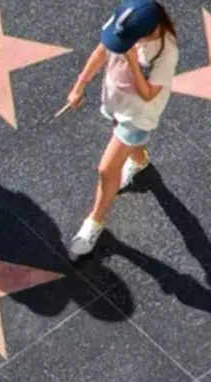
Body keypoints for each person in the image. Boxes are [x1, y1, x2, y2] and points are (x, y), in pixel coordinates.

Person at [64, 0, 178, 258]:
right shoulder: (124, 22)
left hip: (137, 115)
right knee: (126, 149)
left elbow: (149, 94)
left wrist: (132, 61)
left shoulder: (165, 53)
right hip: (115, 100)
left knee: (107, 169)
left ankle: (93, 223)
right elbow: (101, 51)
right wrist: (79, 86)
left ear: (147, 33)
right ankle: (138, 161)